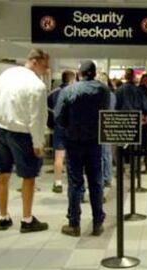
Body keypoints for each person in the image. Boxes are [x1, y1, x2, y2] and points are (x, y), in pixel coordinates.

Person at [0, 48, 50, 233]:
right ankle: (27, 220)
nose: (47, 68)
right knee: (29, 177)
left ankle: (3, 217)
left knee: (2, 173)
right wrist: (38, 143)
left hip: (0, 128)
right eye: (44, 64)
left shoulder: (7, 74)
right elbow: (37, 118)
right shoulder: (37, 85)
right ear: (34, 61)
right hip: (22, 134)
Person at [55, 60, 110, 237]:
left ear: (79, 74)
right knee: (96, 181)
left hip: (74, 142)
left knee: (75, 182)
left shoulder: (69, 90)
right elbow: (105, 112)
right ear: (94, 73)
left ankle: (74, 223)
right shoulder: (103, 90)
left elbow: (59, 116)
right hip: (95, 141)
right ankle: (97, 222)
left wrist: (69, 127)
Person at [47, 70, 76, 193]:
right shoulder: (76, 92)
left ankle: (57, 183)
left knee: (59, 156)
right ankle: (73, 182)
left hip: (59, 127)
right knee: (74, 157)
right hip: (73, 128)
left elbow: (48, 109)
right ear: (72, 79)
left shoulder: (53, 93)